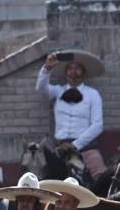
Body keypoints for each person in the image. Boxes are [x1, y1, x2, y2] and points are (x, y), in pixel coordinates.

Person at [35, 50, 105, 180]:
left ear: (84, 73)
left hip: (86, 148)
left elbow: (98, 125)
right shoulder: (58, 91)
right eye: (70, 68)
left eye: (77, 68)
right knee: (43, 176)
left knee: (101, 176)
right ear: (65, 72)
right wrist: (47, 68)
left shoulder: (93, 94)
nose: (73, 71)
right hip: (60, 148)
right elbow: (41, 89)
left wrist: (75, 144)